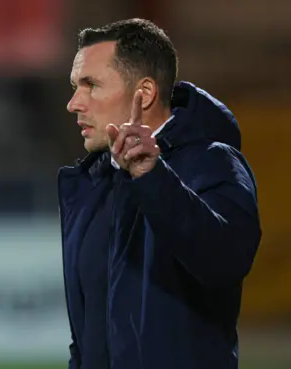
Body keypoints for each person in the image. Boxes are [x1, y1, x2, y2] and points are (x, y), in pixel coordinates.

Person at [59, 19, 261, 369]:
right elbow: (85, 338)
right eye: (76, 86)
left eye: (90, 85)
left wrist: (152, 177)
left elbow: (226, 261)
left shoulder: (213, 163)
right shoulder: (91, 183)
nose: (74, 103)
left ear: (146, 93)